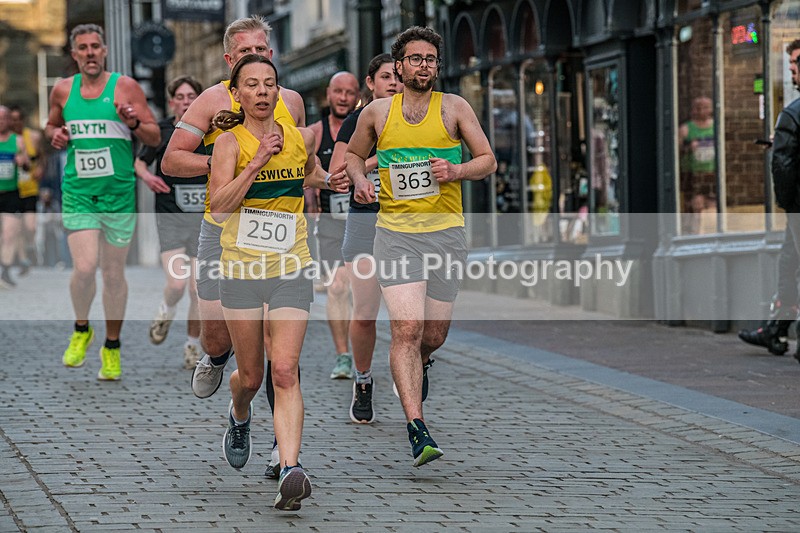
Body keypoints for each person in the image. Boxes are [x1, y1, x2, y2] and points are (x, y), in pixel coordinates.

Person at [161, 15, 341, 478]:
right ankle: (220, 363)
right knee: (222, 339)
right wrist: (232, 159)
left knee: (282, 360)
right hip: (224, 233)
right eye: (244, 55)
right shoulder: (212, 100)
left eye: (262, 52)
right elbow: (172, 160)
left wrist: (325, 187)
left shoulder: (291, 101)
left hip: (283, 243)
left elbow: (302, 163)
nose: (255, 62)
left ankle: (284, 456)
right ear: (229, 62)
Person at [345, 27, 496, 466]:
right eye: (416, 59)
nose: (424, 66)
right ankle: (417, 426)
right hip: (395, 234)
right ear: (400, 65)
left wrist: (457, 171)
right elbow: (354, 157)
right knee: (406, 330)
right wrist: (359, 181)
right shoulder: (376, 113)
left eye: (431, 59)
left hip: (446, 233)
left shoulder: (454, 108)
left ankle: (420, 362)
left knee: (433, 335)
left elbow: (487, 159)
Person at [208, 54, 347, 511]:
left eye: (270, 83)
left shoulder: (299, 137)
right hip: (242, 272)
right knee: (251, 376)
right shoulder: (228, 144)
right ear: (239, 93)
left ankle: (290, 468)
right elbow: (220, 208)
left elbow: (306, 174)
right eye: (253, 85)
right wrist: (254, 165)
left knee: (284, 370)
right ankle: (240, 412)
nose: (263, 92)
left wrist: (336, 182)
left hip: (291, 266)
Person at [45, 23, 160, 380]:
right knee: (84, 267)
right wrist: (57, 135)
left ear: (105, 51)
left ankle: (111, 346)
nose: (91, 52)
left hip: (118, 194)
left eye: (96, 46)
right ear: (74, 54)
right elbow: (49, 126)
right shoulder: (63, 91)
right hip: (79, 192)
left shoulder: (124, 87)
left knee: (112, 275)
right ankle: (82, 328)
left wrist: (134, 120)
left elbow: (153, 135)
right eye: (83, 47)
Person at [328, 53, 400, 423]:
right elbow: (337, 173)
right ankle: (363, 378)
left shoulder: (420, 117)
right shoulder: (358, 120)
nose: (394, 82)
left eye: (398, 76)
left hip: (410, 223)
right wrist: (373, 164)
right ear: (370, 83)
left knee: (409, 314)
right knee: (367, 311)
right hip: (366, 222)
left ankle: (414, 367)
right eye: (386, 76)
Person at [134, 75, 205, 369]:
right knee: (177, 284)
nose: (187, 101)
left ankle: (192, 346)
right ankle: (166, 310)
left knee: (198, 289)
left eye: (192, 96)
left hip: (204, 220)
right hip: (170, 217)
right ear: (173, 100)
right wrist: (149, 177)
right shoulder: (162, 131)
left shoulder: (210, 131)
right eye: (181, 96)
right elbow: (139, 162)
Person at [308, 71, 360, 380]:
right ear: (328, 95)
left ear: (357, 95)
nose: (343, 97)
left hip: (364, 218)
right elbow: (306, 168)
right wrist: (312, 193)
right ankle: (343, 355)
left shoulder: (365, 127)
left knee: (358, 289)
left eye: (349, 92)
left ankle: (360, 347)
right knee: (337, 287)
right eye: (338, 91)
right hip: (330, 222)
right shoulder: (315, 131)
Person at [770, 38, 800, 364]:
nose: (791, 69)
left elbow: (783, 166)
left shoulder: (792, 115)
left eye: (795, 64)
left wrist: (790, 207)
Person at [9, 105, 44, 275]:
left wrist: (41, 169)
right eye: (12, 120)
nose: (15, 123)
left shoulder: (34, 136)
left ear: (23, 120)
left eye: (17, 120)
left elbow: (43, 156)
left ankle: (30, 248)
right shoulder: (5, 140)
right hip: (13, 189)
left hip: (30, 189)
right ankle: (24, 260)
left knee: (30, 226)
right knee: (16, 227)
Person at [0, 105, 29, 288]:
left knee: (10, 233)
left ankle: (5, 270)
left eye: (4, 118)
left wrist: (23, 162)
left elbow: (27, 167)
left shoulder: (18, 141)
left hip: (11, 193)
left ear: (10, 120)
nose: (1, 122)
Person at [679, 96, 716, 234]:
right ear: (693, 110)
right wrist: (689, 147)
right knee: (697, 205)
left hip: (711, 173)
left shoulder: (715, 126)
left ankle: (711, 232)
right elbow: (676, 151)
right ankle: (694, 233)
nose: (702, 111)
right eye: (698, 107)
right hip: (693, 174)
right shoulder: (686, 129)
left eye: (705, 107)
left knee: (712, 205)